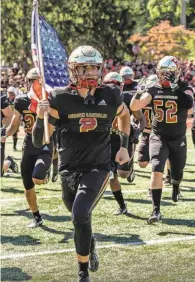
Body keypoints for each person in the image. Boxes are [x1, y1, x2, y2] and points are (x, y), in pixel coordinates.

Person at [32, 46, 130, 282]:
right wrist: (40, 115)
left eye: (95, 67)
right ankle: (90, 242)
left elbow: (125, 115)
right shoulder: (60, 97)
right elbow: (40, 140)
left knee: (79, 214)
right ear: (73, 71)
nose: (91, 72)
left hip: (99, 166)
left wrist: (125, 145)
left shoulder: (110, 95)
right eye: (84, 67)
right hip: (68, 168)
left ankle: (82, 273)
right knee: (77, 216)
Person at [130, 55, 193, 223]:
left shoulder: (184, 87)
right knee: (156, 169)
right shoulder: (154, 88)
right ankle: (156, 210)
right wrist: (138, 93)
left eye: (167, 73)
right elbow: (135, 107)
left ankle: (176, 186)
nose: (163, 77)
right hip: (158, 136)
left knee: (177, 174)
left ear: (175, 73)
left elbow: (189, 104)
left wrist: (175, 88)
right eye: (162, 73)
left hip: (178, 137)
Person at [4, 68, 52, 228]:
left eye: (36, 80)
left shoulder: (51, 99)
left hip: (45, 143)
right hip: (29, 144)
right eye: (31, 80)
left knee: (37, 178)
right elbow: (14, 123)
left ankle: (45, 171)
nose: (34, 84)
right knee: (27, 183)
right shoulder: (21, 100)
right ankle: (37, 216)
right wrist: (5, 134)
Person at [103, 71, 145, 215]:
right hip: (106, 141)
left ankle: (130, 165)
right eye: (109, 84)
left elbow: (142, 119)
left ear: (121, 86)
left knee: (123, 174)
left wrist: (137, 133)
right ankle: (122, 205)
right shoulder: (98, 99)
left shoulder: (127, 98)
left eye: (115, 84)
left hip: (123, 139)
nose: (112, 87)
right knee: (111, 175)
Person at [1, 91, 14, 175]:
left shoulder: (1, 98)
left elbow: (10, 116)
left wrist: (3, 131)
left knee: (0, 173)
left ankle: (9, 161)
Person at [7, 86, 19, 151]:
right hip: (6, 118)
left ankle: (14, 147)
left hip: (14, 118)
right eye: (9, 93)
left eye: (12, 94)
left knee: (15, 133)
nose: (11, 95)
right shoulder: (5, 100)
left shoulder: (16, 100)